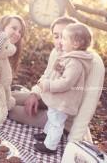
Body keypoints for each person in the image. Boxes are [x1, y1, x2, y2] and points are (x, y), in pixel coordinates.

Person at [34, 23, 93, 154]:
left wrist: (48, 84)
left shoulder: (75, 62)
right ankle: (47, 135)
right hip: (58, 98)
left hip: (63, 100)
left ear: (76, 43)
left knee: (56, 121)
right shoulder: (69, 57)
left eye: (65, 38)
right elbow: (57, 72)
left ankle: (50, 146)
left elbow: (66, 82)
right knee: (52, 117)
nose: (61, 41)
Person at [9, 16, 77, 128]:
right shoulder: (56, 52)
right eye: (56, 36)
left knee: (10, 109)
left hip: (61, 116)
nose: (60, 41)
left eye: (65, 36)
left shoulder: (79, 62)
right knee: (8, 98)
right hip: (47, 99)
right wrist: (34, 94)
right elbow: (47, 76)